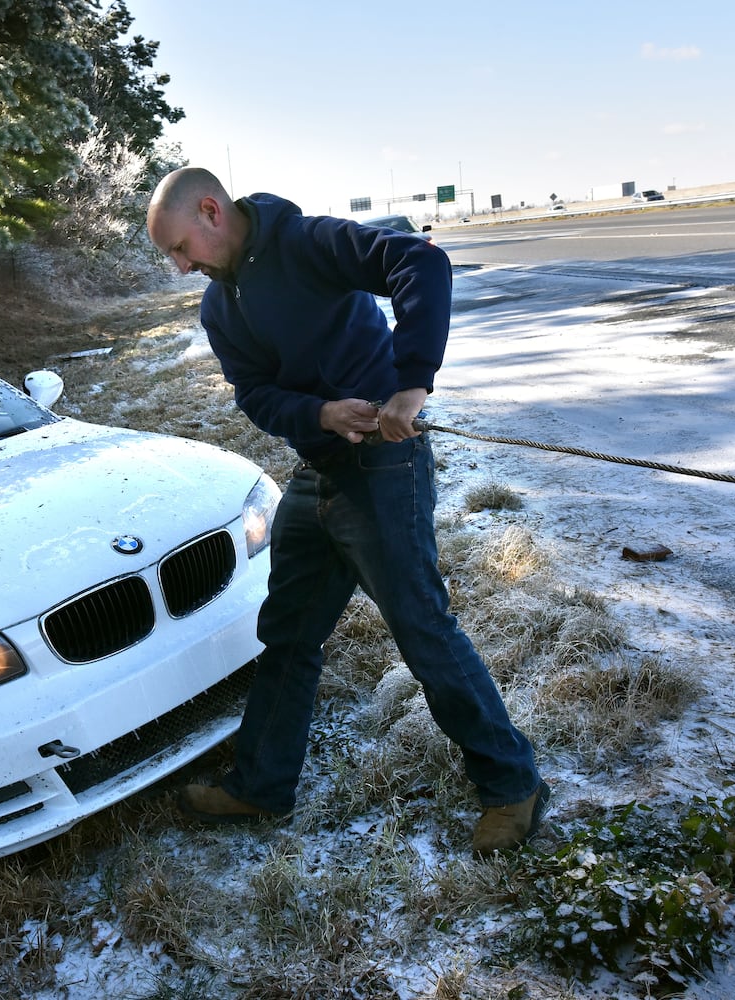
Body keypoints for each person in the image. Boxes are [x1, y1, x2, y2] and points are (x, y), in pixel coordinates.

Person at [146, 166, 548, 855]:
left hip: (385, 466)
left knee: (423, 629)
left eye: (181, 248)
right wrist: (320, 413)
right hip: (319, 473)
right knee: (289, 633)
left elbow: (420, 261)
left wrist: (411, 385)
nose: (181, 267)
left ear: (212, 211)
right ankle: (261, 786)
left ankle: (514, 785)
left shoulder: (304, 242)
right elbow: (256, 396)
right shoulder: (220, 308)